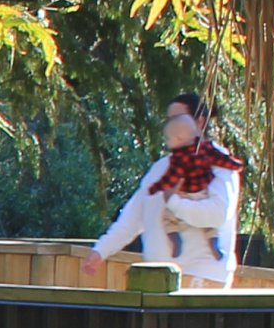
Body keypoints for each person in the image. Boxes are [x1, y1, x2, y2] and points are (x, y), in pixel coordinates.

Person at [83, 94, 242, 287]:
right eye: (169, 120)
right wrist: (101, 250)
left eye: (178, 118)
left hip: (201, 277)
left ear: (200, 123)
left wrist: (174, 203)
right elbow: (133, 218)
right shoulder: (161, 168)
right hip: (158, 279)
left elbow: (217, 214)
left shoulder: (219, 164)